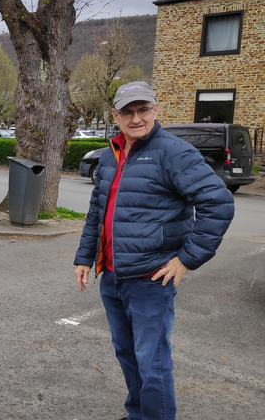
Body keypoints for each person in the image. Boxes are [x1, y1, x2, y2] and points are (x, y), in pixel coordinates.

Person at [73, 81, 235, 420]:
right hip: (114, 276)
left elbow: (218, 203)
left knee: (152, 360)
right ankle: (139, 414)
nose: (136, 118)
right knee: (128, 354)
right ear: (115, 115)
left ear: (155, 109)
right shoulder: (110, 155)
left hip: (151, 279)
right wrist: (84, 257)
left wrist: (186, 260)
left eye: (143, 109)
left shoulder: (173, 152)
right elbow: (96, 212)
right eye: (128, 112)